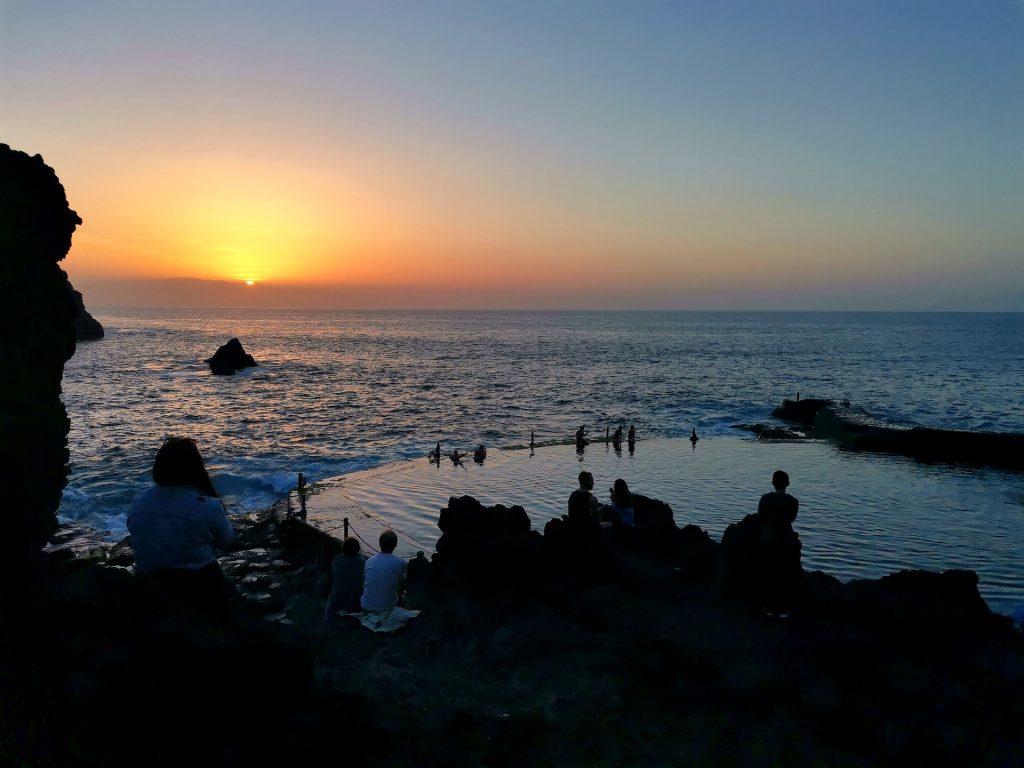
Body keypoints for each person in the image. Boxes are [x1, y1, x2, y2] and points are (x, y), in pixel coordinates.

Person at [127, 437, 235, 609]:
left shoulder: (138, 501)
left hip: (149, 584)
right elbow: (227, 541)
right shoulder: (206, 506)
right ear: (195, 468)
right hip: (197, 589)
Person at [756, 470, 801, 617]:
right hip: (786, 541)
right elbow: (791, 519)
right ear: (787, 484)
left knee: (769, 573)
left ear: (773, 483)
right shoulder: (794, 502)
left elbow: (761, 517)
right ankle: (784, 608)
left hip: (769, 540)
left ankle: (767, 606)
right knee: (785, 575)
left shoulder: (765, 499)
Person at [361, 530, 407, 612]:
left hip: (365, 604)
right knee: (403, 596)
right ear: (395, 545)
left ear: (379, 543)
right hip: (387, 607)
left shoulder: (369, 561)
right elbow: (401, 585)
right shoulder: (401, 562)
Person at [323, 536, 365, 620]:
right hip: (355, 600)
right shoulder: (362, 562)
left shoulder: (336, 562)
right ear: (357, 550)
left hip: (336, 600)